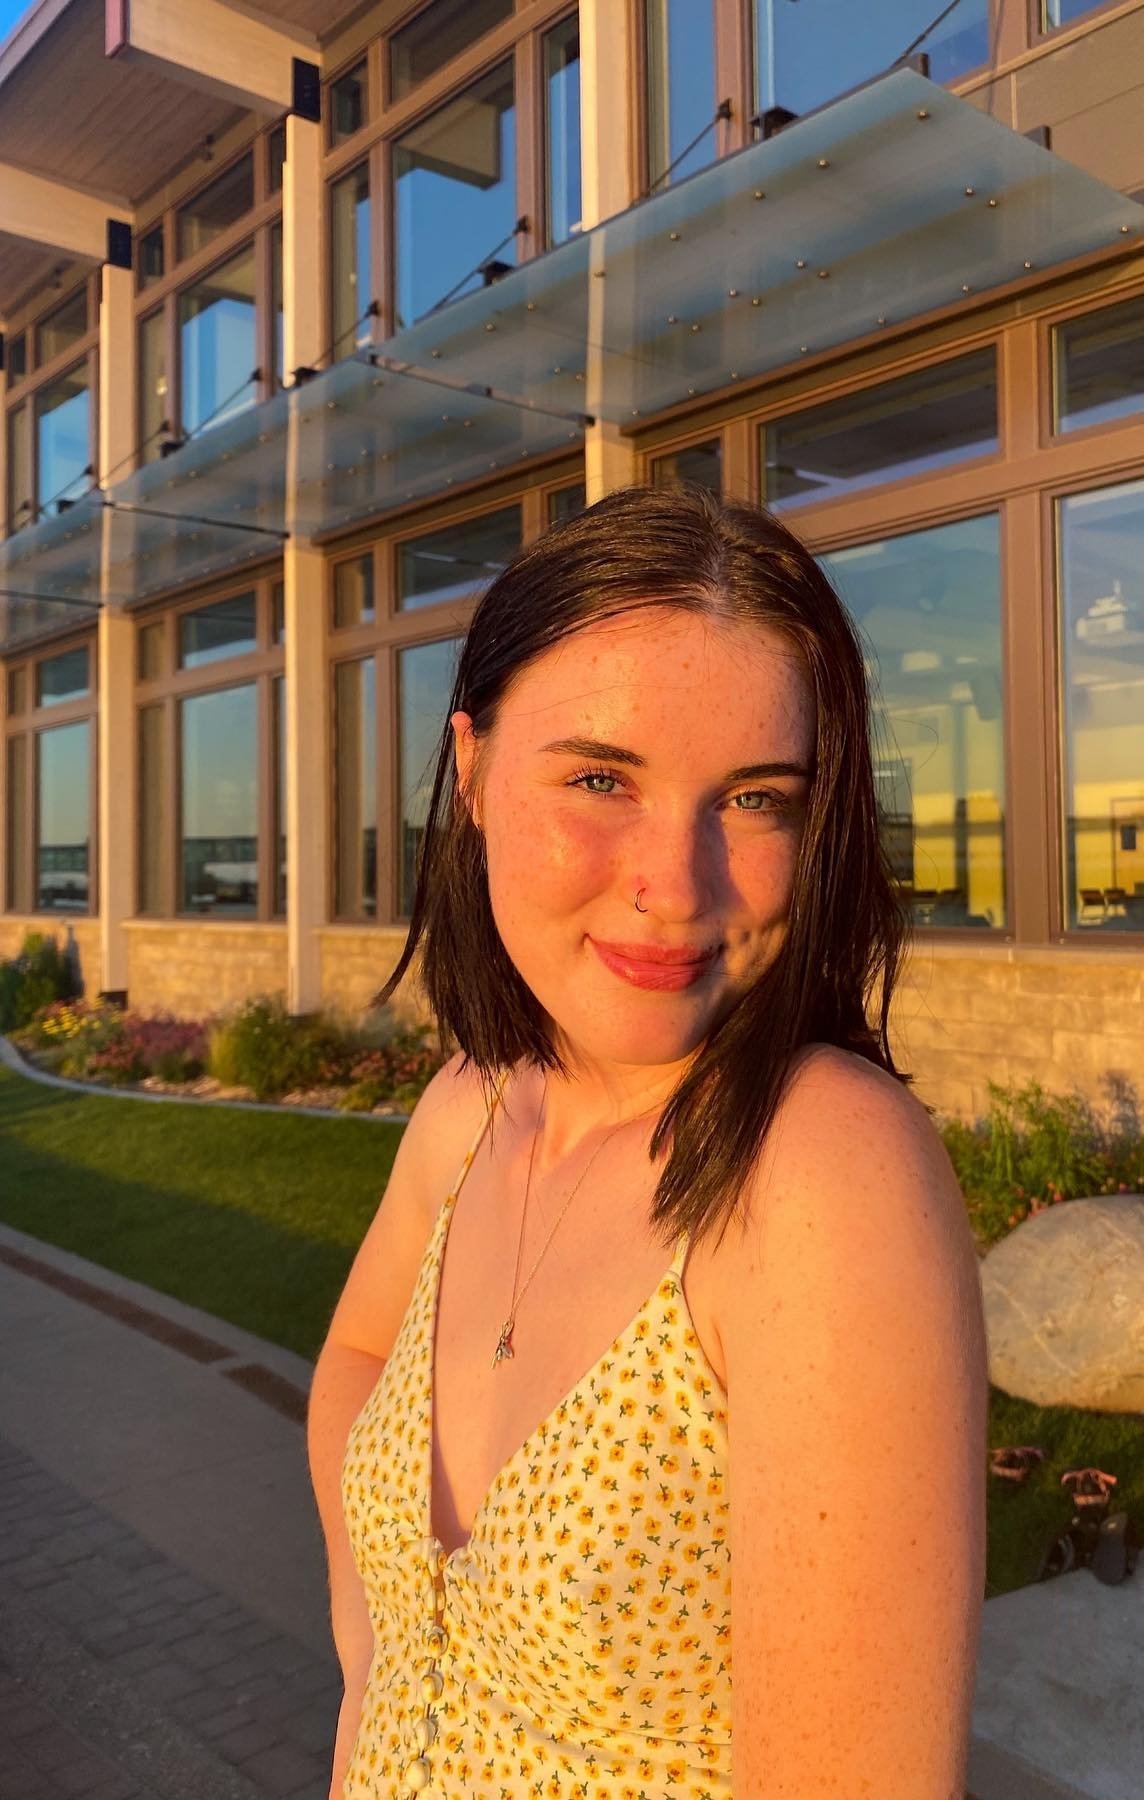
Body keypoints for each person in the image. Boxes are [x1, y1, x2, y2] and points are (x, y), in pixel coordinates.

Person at [305, 483, 987, 1799]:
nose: (676, 886)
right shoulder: (471, 1112)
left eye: (755, 799)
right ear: (471, 773)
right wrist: (371, 1651)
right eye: (601, 779)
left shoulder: (816, 1175)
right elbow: (357, 1357)